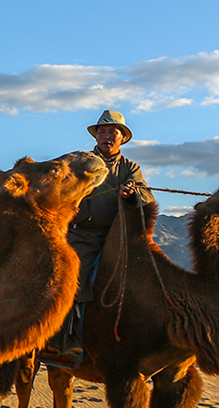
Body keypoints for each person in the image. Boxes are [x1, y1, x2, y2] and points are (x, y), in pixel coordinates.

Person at [46, 109, 155, 363]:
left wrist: (133, 193)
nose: (106, 136)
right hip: (84, 234)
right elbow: (53, 174)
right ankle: (63, 338)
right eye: (102, 132)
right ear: (96, 137)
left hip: (117, 234)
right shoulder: (79, 161)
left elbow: (147, 196)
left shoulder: (131, 168)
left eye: (112, 132)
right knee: (75, 275)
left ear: (122, 138)